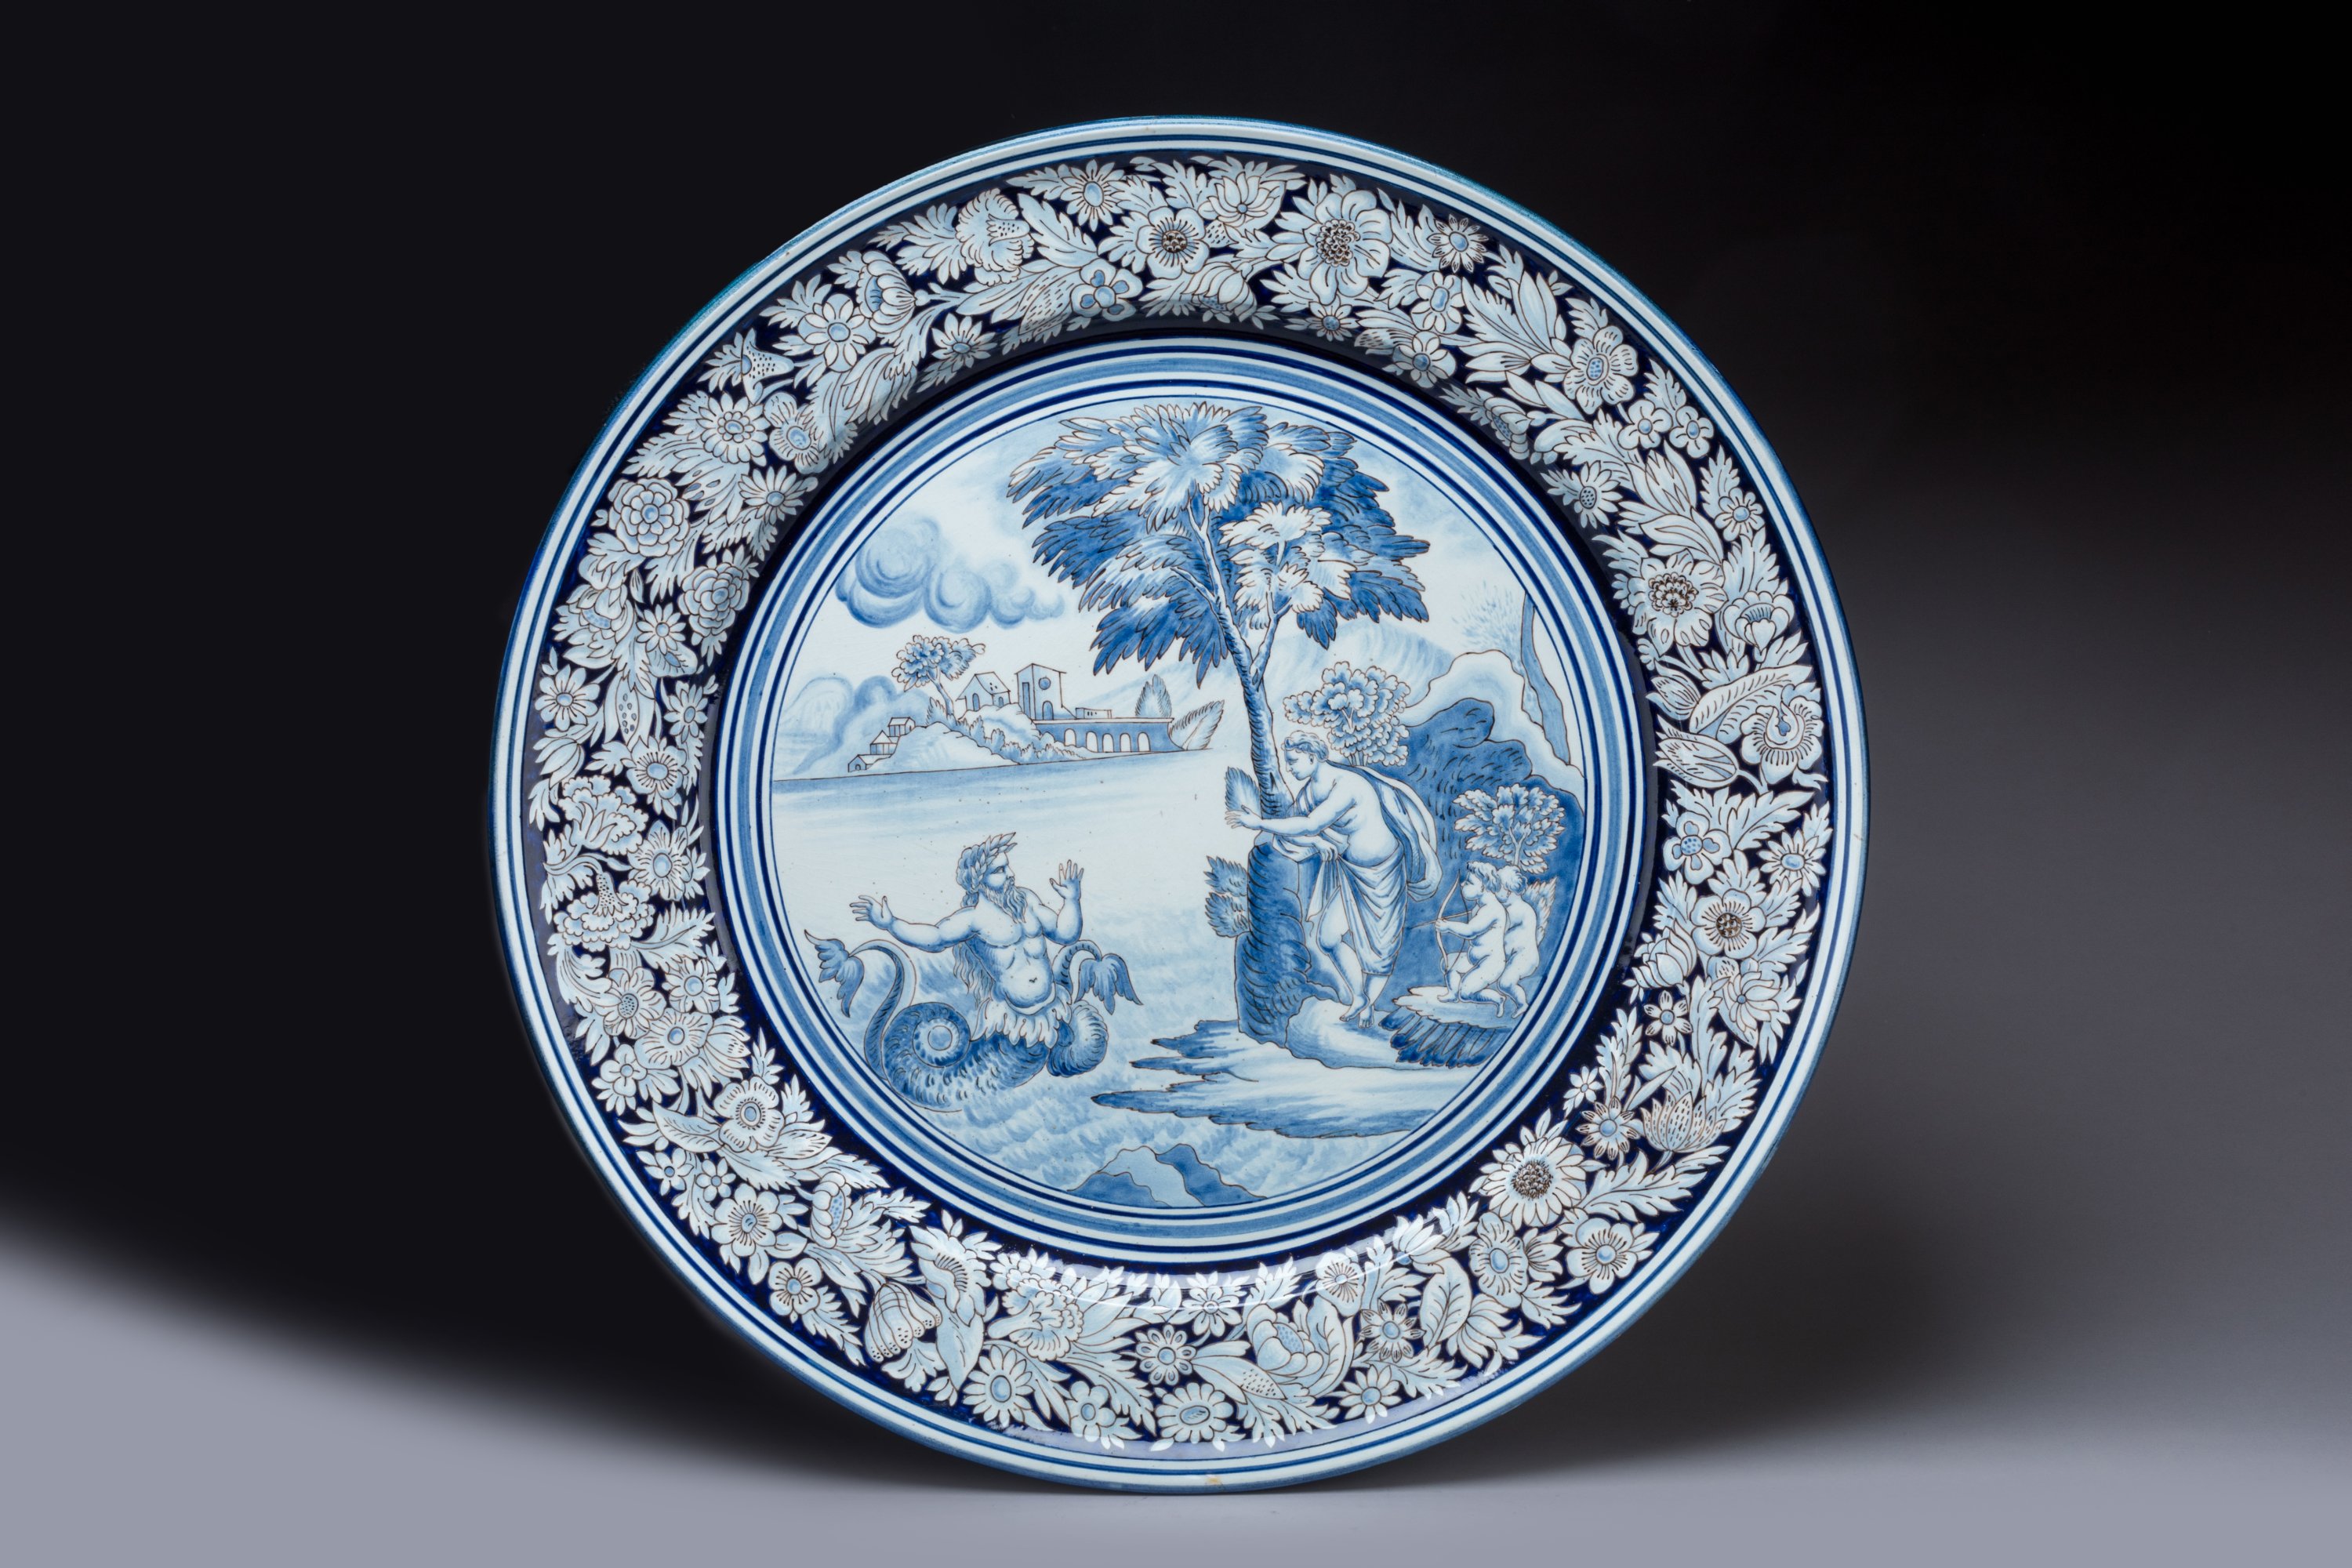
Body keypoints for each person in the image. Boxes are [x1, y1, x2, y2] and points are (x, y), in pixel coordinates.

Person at [1225, 731, 1441, 1026]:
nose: (1289, 768)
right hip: (1350, 873)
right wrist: (1316, 842)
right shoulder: (1310, 792)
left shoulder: (1347, 785)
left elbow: (1310, 824)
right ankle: (1359, 997)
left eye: (1293, 761)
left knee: (1380, 951)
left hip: (1384, 872)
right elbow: (1298, 832)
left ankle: (1369, 1004)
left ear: (1312, 757)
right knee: (1327, 938)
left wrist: (1259, 822)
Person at [851, 833, 1084, 1048]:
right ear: (978, 880)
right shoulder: (973, 919)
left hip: (1056, 1007)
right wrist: (891, 924)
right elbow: (935, 937)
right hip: (1014, 1023)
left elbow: (1065, 935)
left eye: (1008, 867)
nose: (1011, 874)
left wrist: (1072, 900)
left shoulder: (1028, 901)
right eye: (1000, 870)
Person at [1436, 862, 1512, 1016]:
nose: (1463, 884)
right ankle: (1452, 994)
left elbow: (1471, 931)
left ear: (1483, 887)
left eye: (1469, 882)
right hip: (1474, 958)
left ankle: (1498, 999)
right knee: (1448, 963)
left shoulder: (1492, 909)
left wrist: (1448, 926)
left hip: (1491, 963)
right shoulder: (1480, 907)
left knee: (1466, 993)